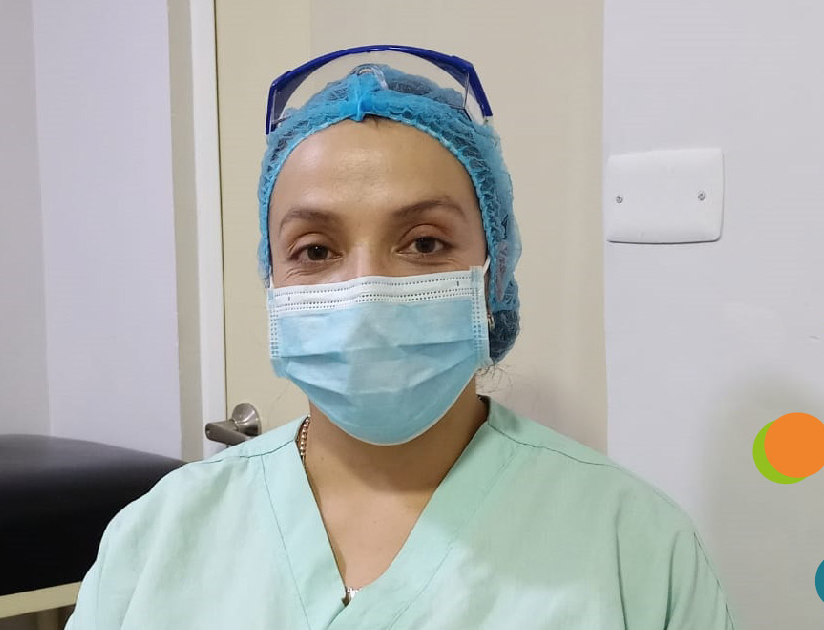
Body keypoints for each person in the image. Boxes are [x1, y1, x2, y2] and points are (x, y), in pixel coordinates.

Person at [65, 45, 737, 629]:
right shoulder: (156, 540)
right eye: (315, 249)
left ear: (494, 272)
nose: (368, 293)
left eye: (423, 243)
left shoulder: (634, 547)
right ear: (273, 279)